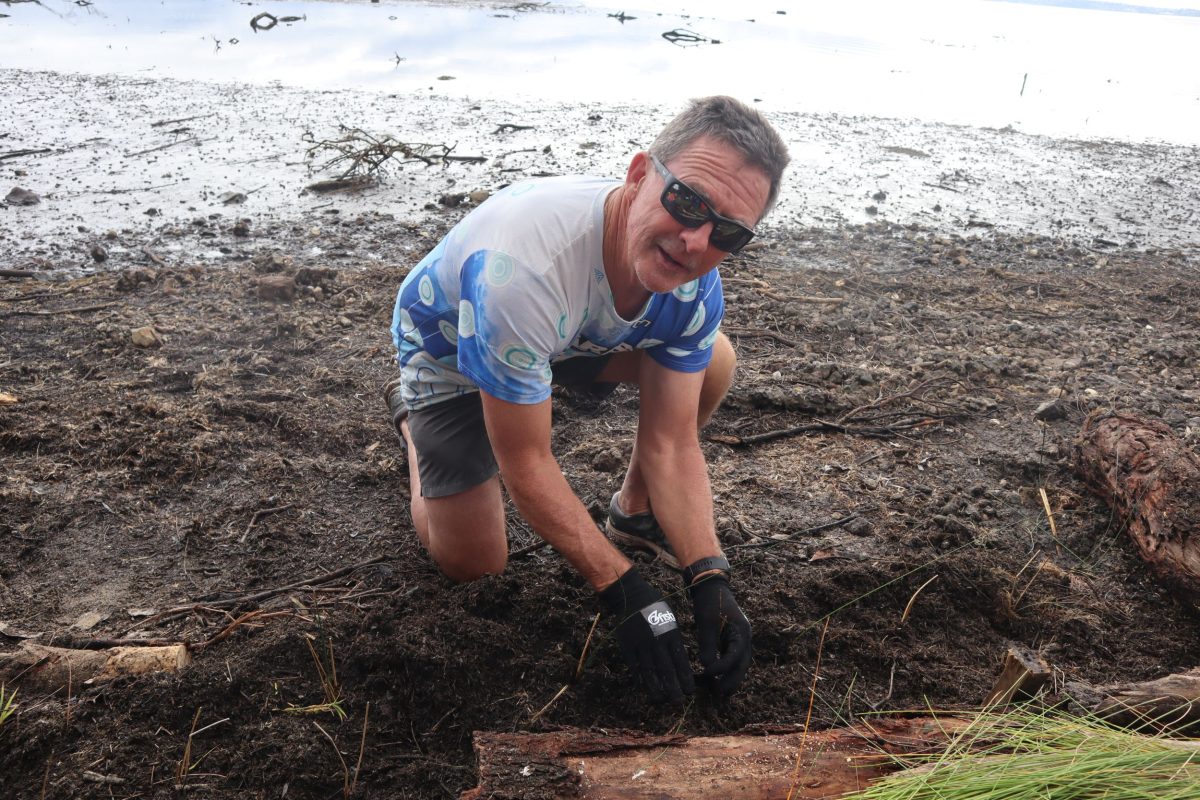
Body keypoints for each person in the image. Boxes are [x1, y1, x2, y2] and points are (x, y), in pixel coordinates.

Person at [385, 96, 789, 703]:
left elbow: (672, 439)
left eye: (727, 232)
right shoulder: (522, 267)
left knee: (714, 361)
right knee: (474, 563)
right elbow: (526, 459)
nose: (695, 241)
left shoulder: (696, 282)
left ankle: (633, 510)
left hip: (565, 339)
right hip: (454, 356)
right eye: (686, 201)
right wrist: (623, 589)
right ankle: (413, 427)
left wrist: (709, 575)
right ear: (637, 175)